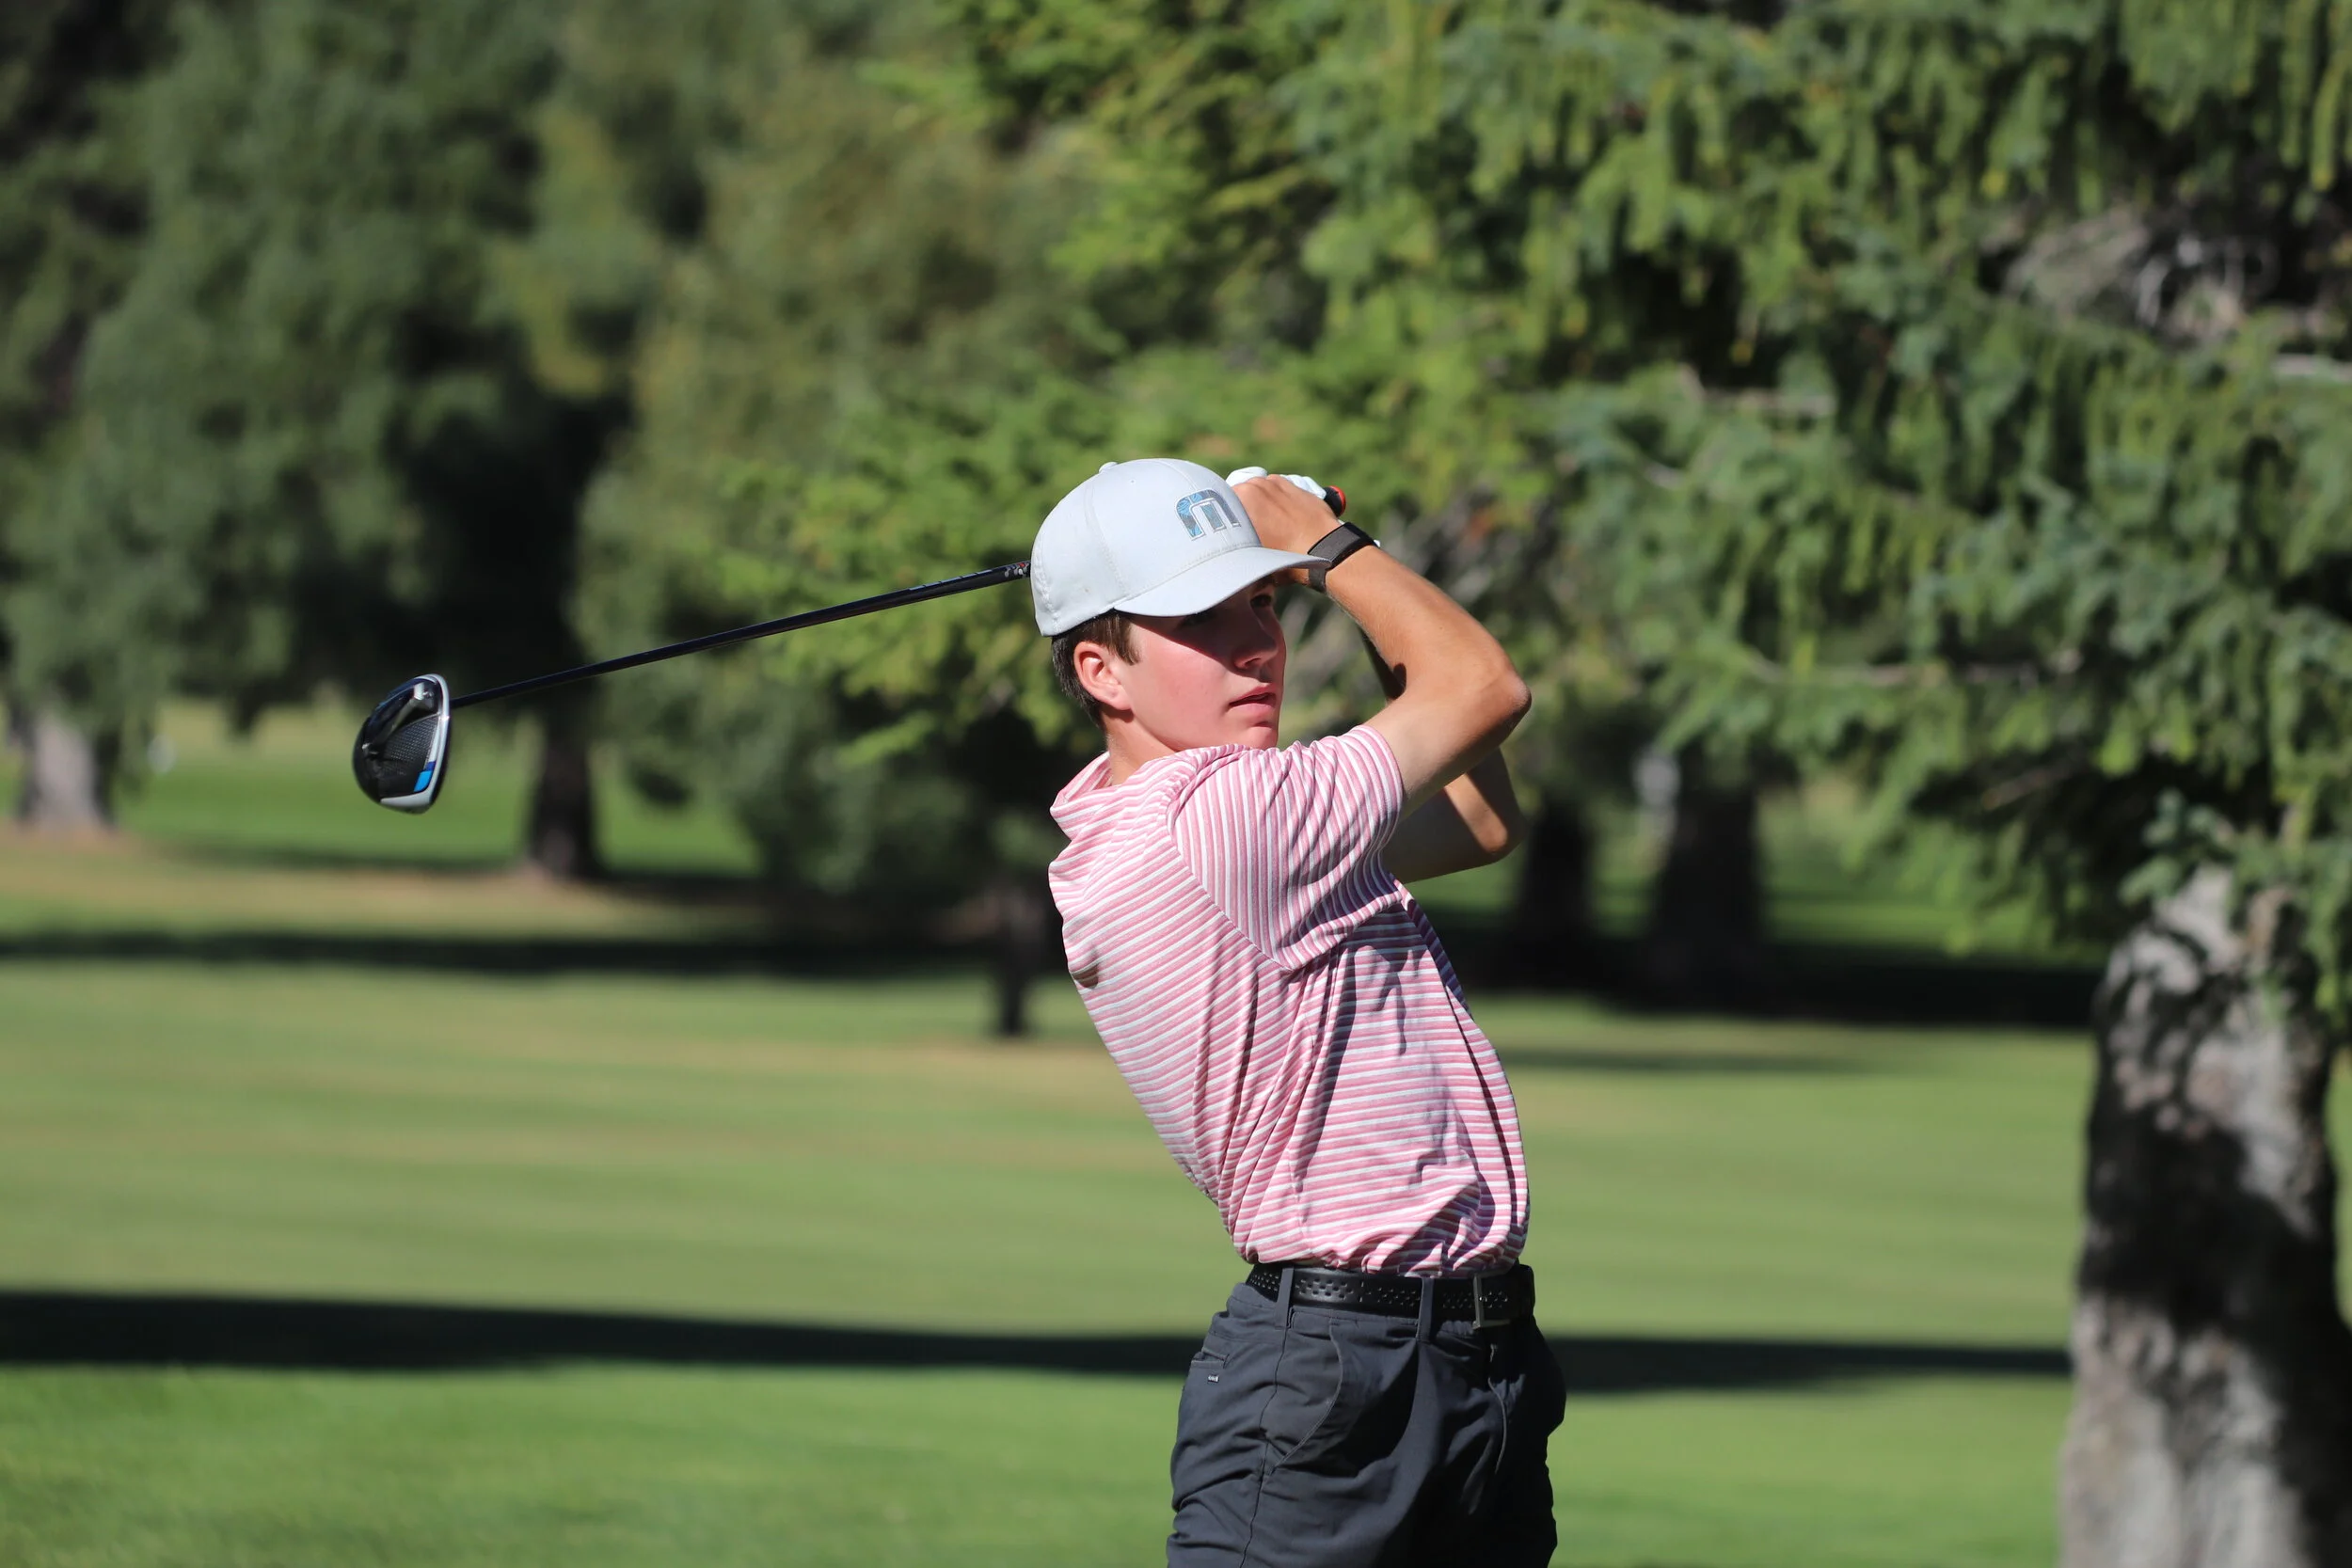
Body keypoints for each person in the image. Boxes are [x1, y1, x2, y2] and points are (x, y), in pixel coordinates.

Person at [1033, 458, 1563, 1567]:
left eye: (1262, 603)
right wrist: (1332, 549)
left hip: (1467, 1359)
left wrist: (1320, 560)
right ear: (1102, 669)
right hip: (1339, 1370)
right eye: (1202, 619)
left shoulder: (1195, 828)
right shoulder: (1223, 823)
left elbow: (1476, 814)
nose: (1255, 643)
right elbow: (1484, 688)